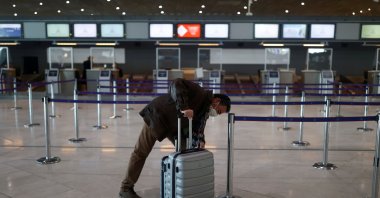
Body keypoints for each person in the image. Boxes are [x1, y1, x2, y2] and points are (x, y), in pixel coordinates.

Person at [119, 78, 231, 198]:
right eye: (218, 111)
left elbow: (199, 127)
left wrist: (201, 140)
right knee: (140, 153)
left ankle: (183, 186)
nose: (216, 114)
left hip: (173, 127)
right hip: (157, 117)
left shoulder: (204, 111)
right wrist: (184, 107)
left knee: (185, 151)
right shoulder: (199, 92)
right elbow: (177, 83)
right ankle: (126, 188)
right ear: (217, 101)